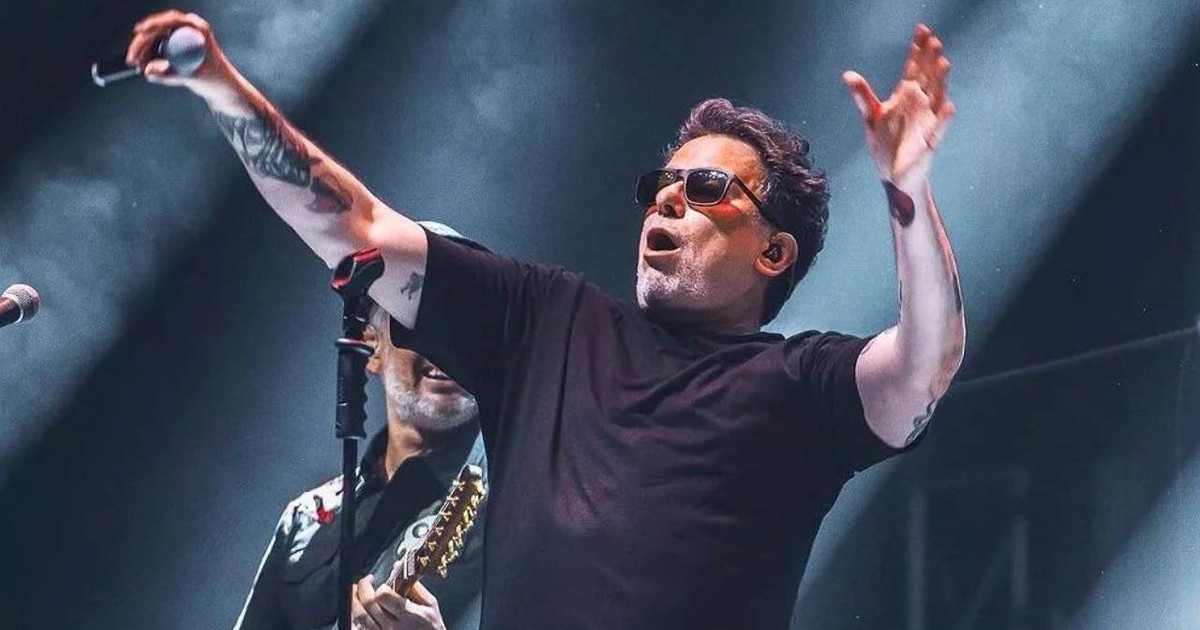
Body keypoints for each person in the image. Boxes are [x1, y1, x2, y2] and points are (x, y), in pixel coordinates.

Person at [127, 11, 965, 629]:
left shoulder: (797, 385)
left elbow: (924, 367)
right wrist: (220, 85)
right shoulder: (546, 321)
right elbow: (358, 226)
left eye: (706, 189)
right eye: (660, 185)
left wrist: (907, 191)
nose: (667, 200)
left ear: (773, 253)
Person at [234, 283, 488, 630]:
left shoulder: (521, 514)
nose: (448, 346)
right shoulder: (306, 519)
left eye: (467, 329)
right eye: (421, 323)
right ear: (372, 346)